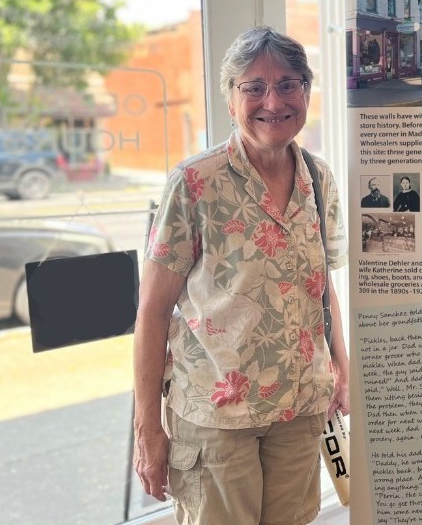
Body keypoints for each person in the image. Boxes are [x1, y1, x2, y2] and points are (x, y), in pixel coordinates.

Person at [133, 26, 349, 525]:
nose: (273, 100)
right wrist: (148, 428)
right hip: (216, 417)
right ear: (230, 100)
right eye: (254, 87)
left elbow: (320, 285)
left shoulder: (319, 178)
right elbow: (151, 310)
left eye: (289, 84)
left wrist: (341, 365)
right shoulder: (193, 182)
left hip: (300, 408)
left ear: (307, 93)